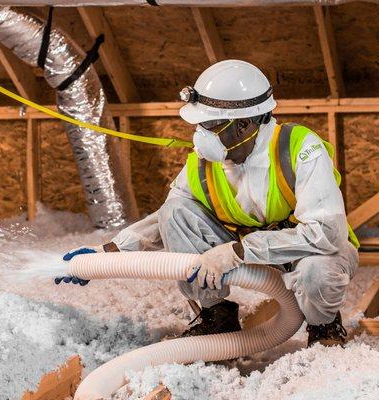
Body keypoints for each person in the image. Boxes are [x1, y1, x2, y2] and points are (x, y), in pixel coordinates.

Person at [58, 60, 359, 347]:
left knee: (318, 273)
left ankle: (324, 324)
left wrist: (239, 251)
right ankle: (217, 314)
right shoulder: (205, 163)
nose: (199, 135)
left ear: (243, 125)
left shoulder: (300, 148)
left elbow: (327, 233)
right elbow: (167, 217)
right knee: (176, 212)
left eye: (209, 125)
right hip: (239, 251)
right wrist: (108, 252)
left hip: (303, 249)